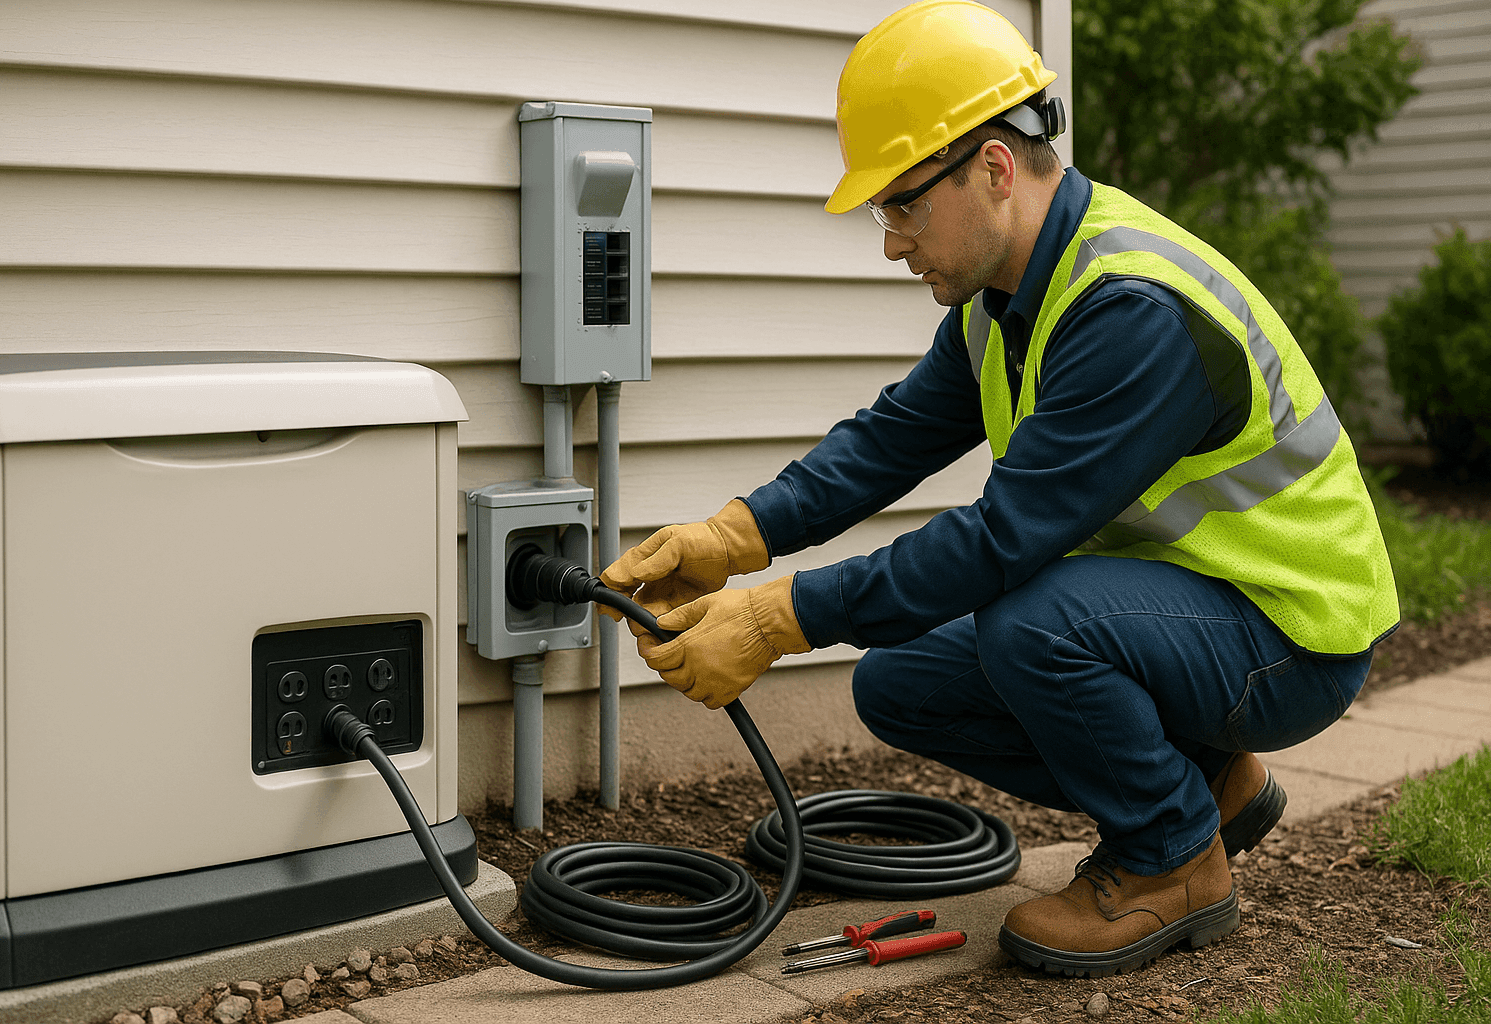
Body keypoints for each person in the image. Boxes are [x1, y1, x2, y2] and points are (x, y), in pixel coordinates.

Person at [600, 0, 1399, 978]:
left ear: (992, 167)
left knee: (1031, 620)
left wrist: (773, 620)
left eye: (902, 203)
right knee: (900, 683)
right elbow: (894, 437)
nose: (891, 240)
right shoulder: (1006, 299)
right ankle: (1208, 788)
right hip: (1189, 615)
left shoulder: (1131, 309)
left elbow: (997, 542)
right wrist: (734, 535)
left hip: (1291, 635)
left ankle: (1173, 860)